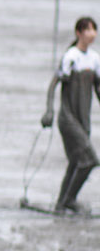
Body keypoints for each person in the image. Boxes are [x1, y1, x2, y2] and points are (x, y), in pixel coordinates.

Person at [41, 16, 100, 215]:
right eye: (88, 30)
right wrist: (49, 111)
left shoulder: (94, 59)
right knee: (90, 160)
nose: (92, 34)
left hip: (84, 120)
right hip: (68, 119)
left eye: (94, 29)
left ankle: (61, 203)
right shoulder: (71, 56)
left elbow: (98, 90)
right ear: (79, 33)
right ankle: (70, 199)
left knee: (76, 161)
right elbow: (53, 84)